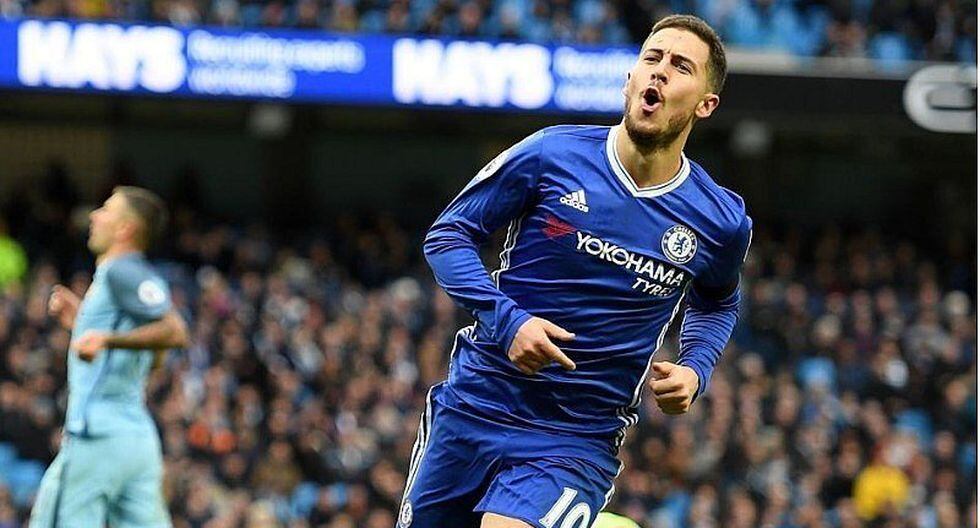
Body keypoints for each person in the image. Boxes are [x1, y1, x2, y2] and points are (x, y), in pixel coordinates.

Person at [402, 14, 752, 528]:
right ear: (629, 80)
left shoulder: (719, 219)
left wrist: (695, 367)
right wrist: (508, 321)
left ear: (705, 104)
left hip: (575, 437)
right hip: (474, 406)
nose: (659, 71)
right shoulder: (552, 154)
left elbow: (718, 301)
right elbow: (449, 236)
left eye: (681, 66)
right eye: (652, 58)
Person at [30, 186, 189, 527]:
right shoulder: (140, 277)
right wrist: (82, 323)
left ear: (125, 229)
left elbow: (175, 332)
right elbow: (156, 356)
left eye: (105, 209)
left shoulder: (120, 272)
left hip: (97, 436)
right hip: (136, 440)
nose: (94, 216)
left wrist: (106, 340)